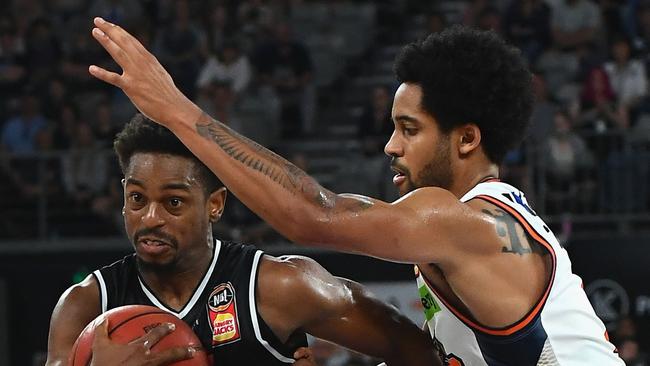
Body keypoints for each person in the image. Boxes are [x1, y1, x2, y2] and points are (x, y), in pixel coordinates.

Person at [88, 18, 624, 365]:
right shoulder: (482, 224)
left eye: (410, 129)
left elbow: (313, 215)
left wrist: (177, 111)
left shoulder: (458, 221)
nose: (391, 145)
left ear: (466, 140)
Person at [45, 114, 438, 366]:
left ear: (214, 204)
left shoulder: (280, 286)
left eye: (173, 202)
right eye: (137, 199)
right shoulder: (86, 306)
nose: (150, 218)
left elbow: (418, 353)